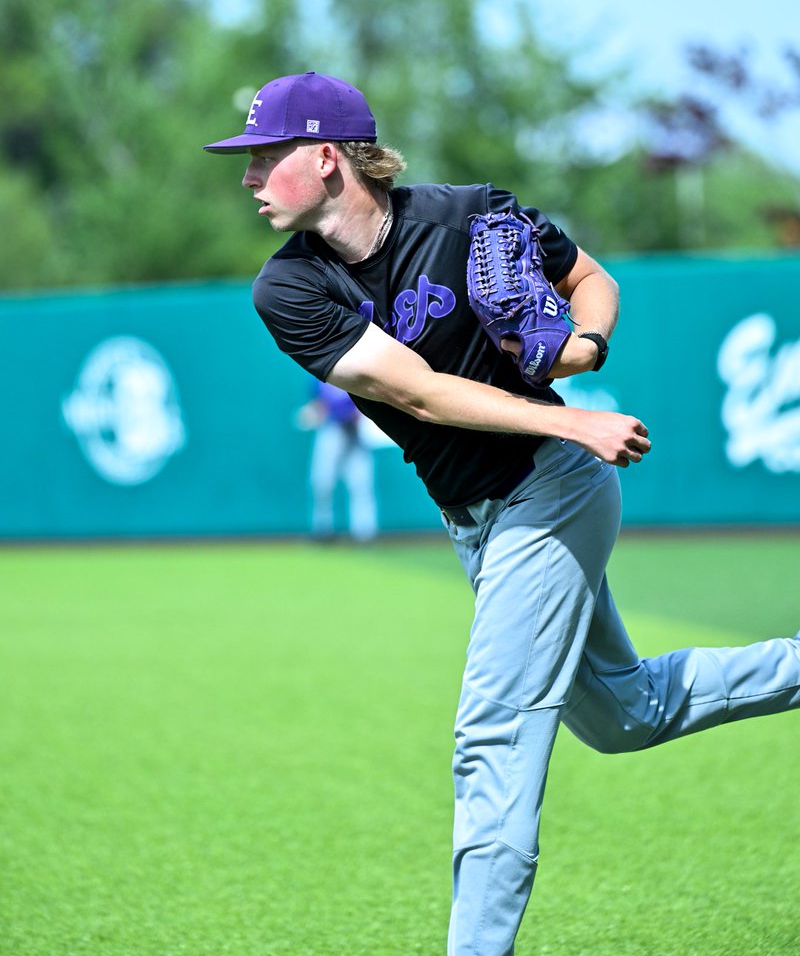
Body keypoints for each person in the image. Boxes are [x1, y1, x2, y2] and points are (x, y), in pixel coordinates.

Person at [204, 71, 799, 956]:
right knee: (624, 714)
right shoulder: (288, 288)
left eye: (264, 156)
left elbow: (588, 277)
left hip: (549, 488)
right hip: (481, 513)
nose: (250, 177)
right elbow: (421, 392)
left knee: (492, 734)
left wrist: (583, 347)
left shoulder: (468, 216)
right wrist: (569, 415)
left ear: (326, 157)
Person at [296, 378, 378, 543]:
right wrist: (315, 411)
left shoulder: (359, 371)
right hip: (331, 428)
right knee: (322, 482)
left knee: (360, 483)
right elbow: (319, 403)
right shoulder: (319, 377)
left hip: (356, 431)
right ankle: (322, 530)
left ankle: (364, 533)